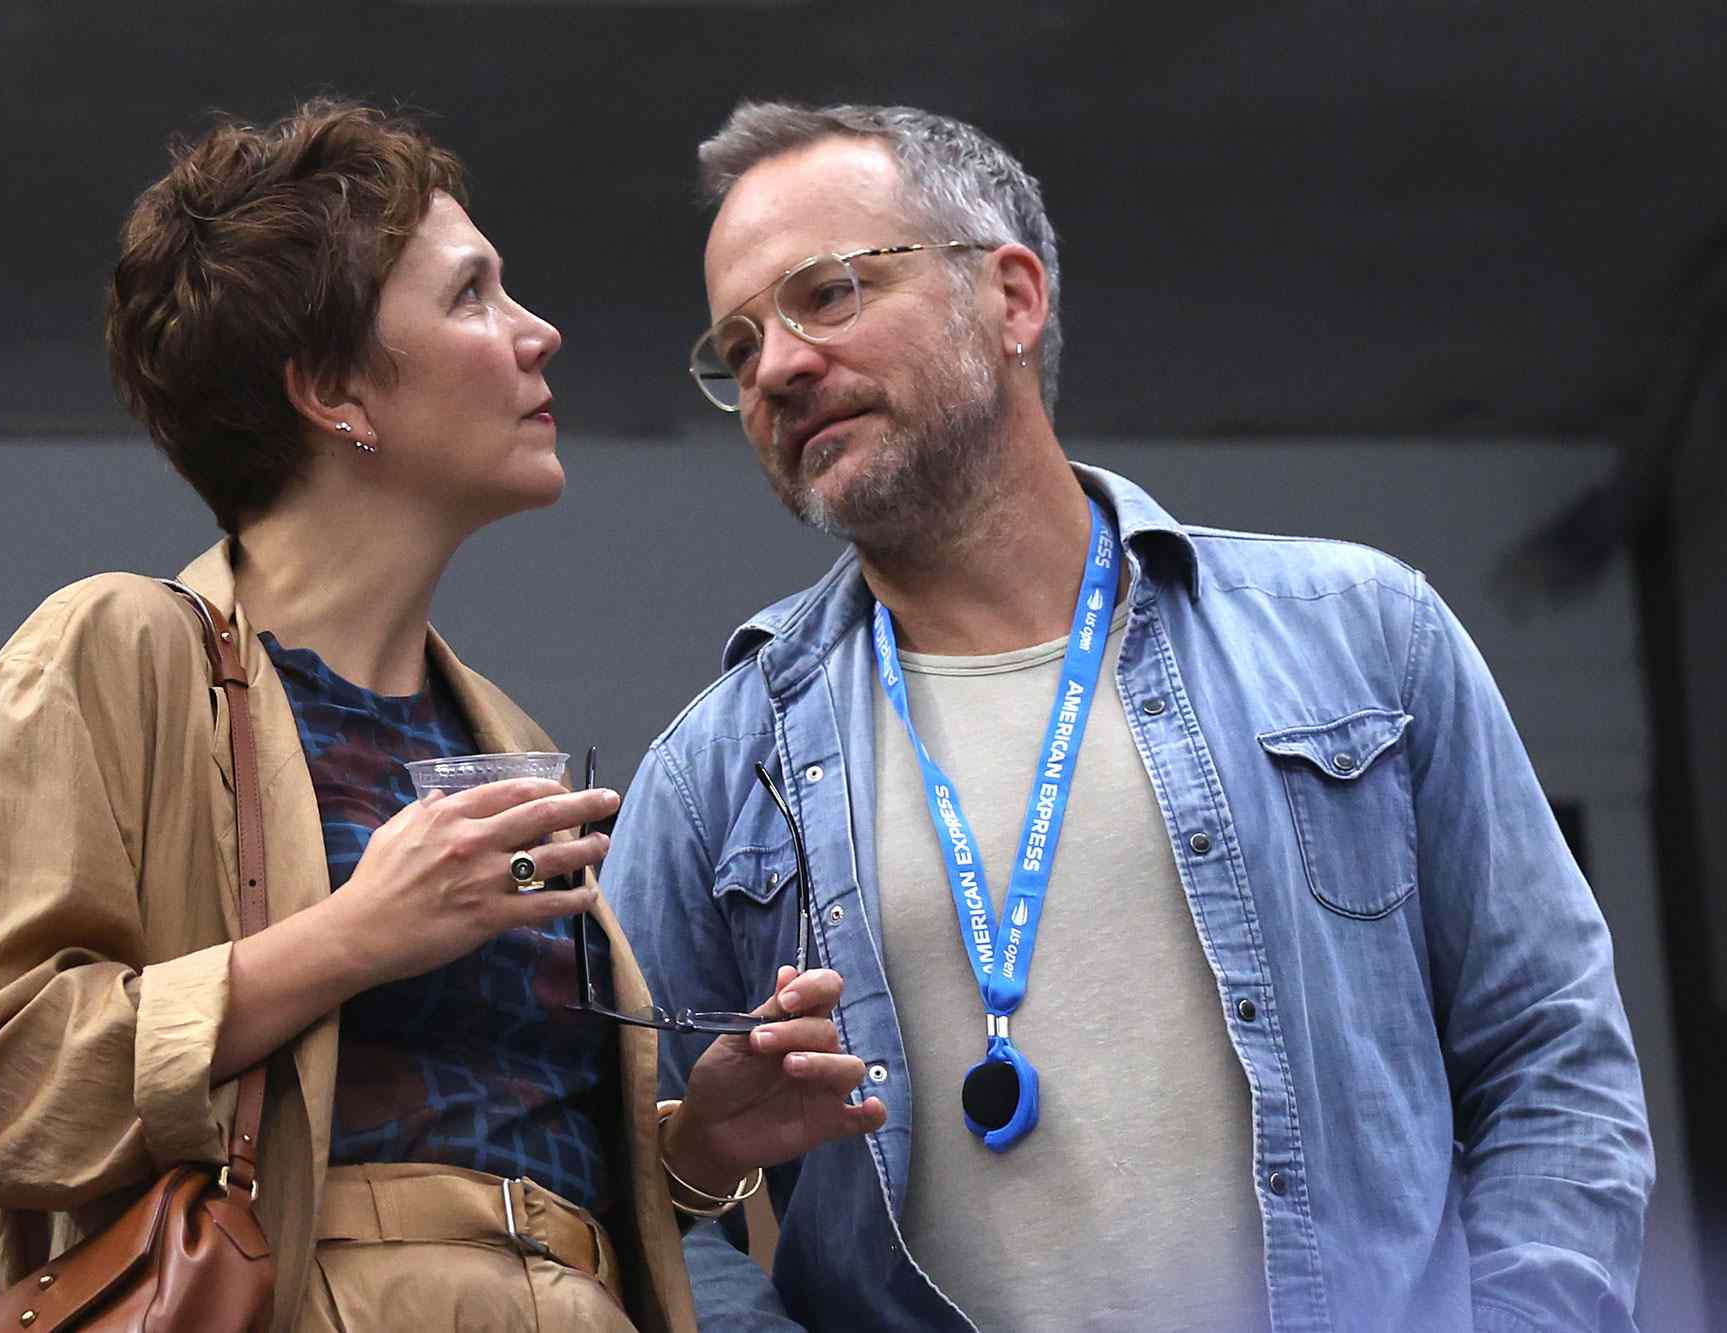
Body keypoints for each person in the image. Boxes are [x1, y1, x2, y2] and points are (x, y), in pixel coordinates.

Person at [604, 101, 1655, 1332]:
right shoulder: (718, 771)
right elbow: (620, 1191)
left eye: (827, 293)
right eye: (736, 346)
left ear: (1009, 297)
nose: (777, 365)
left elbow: (1549, 1062)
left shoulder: (1360, 634)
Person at [0, 98, 876, 1333]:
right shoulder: (118, 650)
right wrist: (354, 935)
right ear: (331, 388)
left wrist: (696, 1145)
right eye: (473, 295)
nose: (538, 333)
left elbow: (503, 1158)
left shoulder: (488, 729)